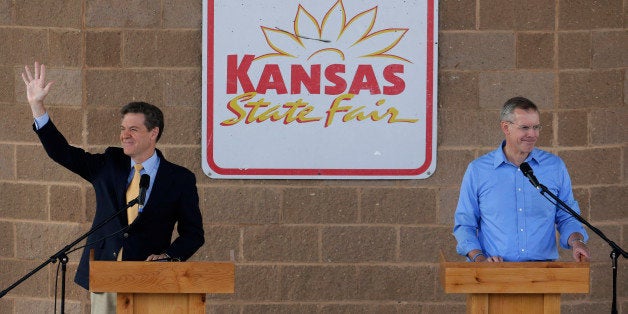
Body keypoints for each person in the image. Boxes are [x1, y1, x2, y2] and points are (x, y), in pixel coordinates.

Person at [22, 62, 205, 312]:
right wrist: (37, 106)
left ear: (153, 133)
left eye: (133, 129)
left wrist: (168, 257)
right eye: (122, 129)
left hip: (148, 281)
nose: (124, 135)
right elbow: (62, 153)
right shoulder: (109, 163)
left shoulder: (180, 178)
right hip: (105, 277)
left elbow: (194, 233)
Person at [453, 96, 590, 263]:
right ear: (506, 127)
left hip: (544, 275)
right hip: (493, 274)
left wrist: (577, 242)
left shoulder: (554, 167)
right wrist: (480, 260)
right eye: (525, 127)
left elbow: (567, 216)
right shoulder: (478, 170)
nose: (532, 134)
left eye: (536, 127)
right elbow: (465, 224)